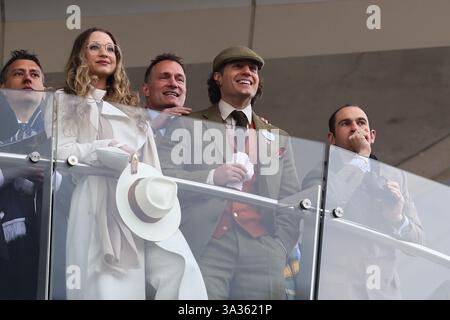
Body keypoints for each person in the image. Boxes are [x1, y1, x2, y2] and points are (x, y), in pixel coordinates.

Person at [56, 27, 206, 299]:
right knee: (103, 287)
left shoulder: (132, 109)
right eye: (95, 47)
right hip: (93, 198)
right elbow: (61, 153)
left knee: (181, 268)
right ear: (81, 55)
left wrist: (157, 200)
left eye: (110, 48)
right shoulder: (63, 100)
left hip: (137, 201)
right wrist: (104, 149)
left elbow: (151, 164)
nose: (104, 53)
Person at [159, 45, 301, 299]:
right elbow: (164, 177)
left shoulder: (277, 137)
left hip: (263, 247)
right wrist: (212, 177)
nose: (248, 72)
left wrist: (278, 247)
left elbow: (291, 200)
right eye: (238, 66)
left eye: (254, 68)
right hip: (206, 243)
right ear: (217, 77)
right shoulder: (188, 124)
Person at [303, 104, 423, 299]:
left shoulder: (395, 176)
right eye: (345, 123)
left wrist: (398, 219)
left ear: (372, 135)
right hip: (339, 290)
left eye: (361, 122)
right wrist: (361, 157)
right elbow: (330, 202)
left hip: (383, 291)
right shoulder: (320, 173)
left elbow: (417, 243)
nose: (354, 128)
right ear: (331, 139)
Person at [0, 49, 48, 299]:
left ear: (43, 89)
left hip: (43, 245)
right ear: (3, 86)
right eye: (19, 74)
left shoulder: (56, 132)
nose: (28, 79)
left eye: (34, 75)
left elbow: (70, 188)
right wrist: (16, 171)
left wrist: (48, 180)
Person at [141, 53, 192, 144]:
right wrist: (152, 127)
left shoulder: (198, 129)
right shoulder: (128, 123)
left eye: (179, 79)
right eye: (164, 77)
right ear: (146, 89)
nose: (173, 84)